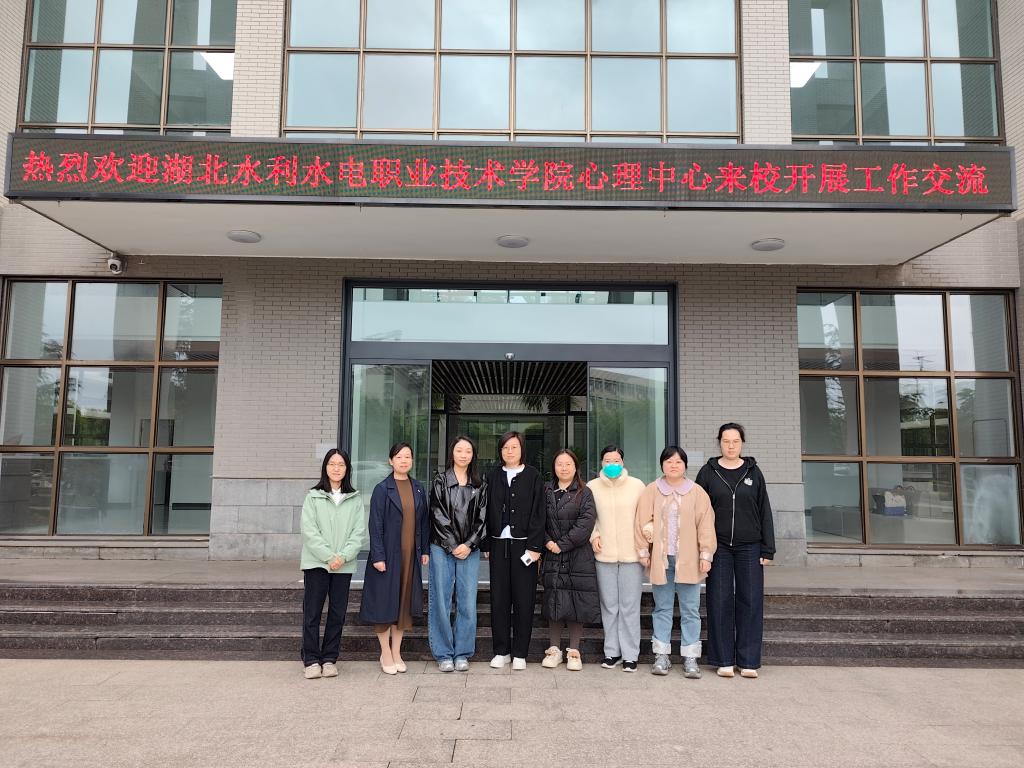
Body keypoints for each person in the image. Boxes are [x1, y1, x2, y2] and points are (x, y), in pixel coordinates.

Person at [695, 423, 776, 679]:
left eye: (735, 441)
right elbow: (698, 513)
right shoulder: (708, 472)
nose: (730, 446)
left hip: (750, 546)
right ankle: (724, 660)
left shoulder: (754, 472)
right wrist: (701, 548)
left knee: (750, 601)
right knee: (719, 601)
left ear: (742, 443)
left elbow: (764, 510)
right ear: (719, 442)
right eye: (726, 441)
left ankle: (748, 661)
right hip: (718, 546)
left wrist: (768, 549)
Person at [635, 446, 716, 678]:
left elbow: (706, 525)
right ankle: (661, 656)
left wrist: (706, 554)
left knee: (690, 609)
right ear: (662, 464)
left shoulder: (697, 492)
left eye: (678, 462)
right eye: (669, 461)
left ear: (685, 466)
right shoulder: (652, 490)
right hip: (661, 561)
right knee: (662, 608)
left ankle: (690, 658)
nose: (673, 465)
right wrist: (643, 551)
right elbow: (641, 522)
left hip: (689, 560)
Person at [358, 442, 430, 675]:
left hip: (410, 558)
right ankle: (385, 653)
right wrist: (378, 556)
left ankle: (397, 652)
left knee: (403, 608)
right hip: (387, 558)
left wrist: (424, 550)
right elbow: (375, 525)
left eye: (408, 456)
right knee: (384, 606)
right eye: (399, 457)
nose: (404, 460)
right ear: (391, 461)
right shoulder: (382, 489)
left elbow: (423, 522)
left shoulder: (418, 488)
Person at [299, 448, 367, 679]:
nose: (336, 468)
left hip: (343, 565)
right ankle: (311, 660)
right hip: (316, 563)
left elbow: (358, 533)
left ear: (347, 469)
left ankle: (329, 658)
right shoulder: (313, 496)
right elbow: (309, 531)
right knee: (312, 613)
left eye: (341, 464)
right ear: (325, 467)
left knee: (337, 613)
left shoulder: (355, 498)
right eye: (332, 464)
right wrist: (329, 557)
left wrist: (343, 556)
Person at [483, 431, 546, 670]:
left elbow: (539, 512)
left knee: (524, 600)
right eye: (505, 447)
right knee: (499, 599)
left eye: (514, 447)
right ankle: (501, 651)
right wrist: (486, 544)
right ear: (500, 451)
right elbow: (485, 510)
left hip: (525, 546)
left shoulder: (533, 475)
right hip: (498, 544)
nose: (510, 451)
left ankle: (520, 652)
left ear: (522, 450)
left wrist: (535, 547)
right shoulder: (493, 475)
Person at [428, 435, 488, 672]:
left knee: (467, 601)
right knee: (441, 600)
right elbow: (437, 514)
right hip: (442, 548)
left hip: (469, 550)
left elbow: (483, 518)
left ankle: (462, 652)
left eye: (468, 451)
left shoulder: (480, 484)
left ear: (473, 455)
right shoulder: (440, 480)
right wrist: (453, 545)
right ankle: (443, 653)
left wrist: (469, 544)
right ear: (452, 453)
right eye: (459, 450)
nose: (463, 455)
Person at [586, 445, 646, 672]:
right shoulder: (592, 487)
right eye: (608, 461)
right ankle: (612, 652)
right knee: (609, 606)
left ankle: (630, 655)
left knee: (629, 607)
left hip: (632, 555)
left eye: (616, 460)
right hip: (604, 555)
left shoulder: (637, 486)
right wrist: (594, 536)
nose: (612, 464)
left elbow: (645, 517)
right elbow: (588, 518)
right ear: (601, 463)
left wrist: (645, 544)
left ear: (623, 462)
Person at [540, 449, 599, 671]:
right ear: (554, 467)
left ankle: (574, 651)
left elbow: (586, 523)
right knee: (554, 599)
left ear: (576, 467)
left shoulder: (585, 492)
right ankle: (554, 650)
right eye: (559, 464)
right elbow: (537, 519)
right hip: (551, 554)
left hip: (578, 555)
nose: (563, 468)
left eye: (568, 464)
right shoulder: (545, 490)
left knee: (577, 601)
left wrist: (561, 544)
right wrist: (547, 542)